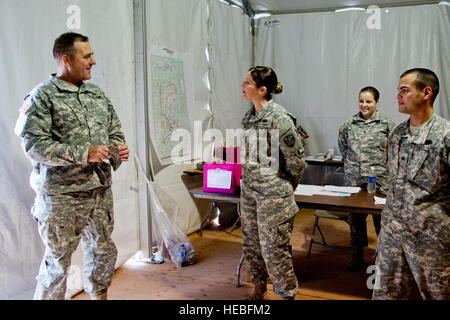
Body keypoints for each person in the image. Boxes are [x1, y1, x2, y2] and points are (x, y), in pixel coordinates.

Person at [15, 32, 129, 300]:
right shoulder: (43, 96)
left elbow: (115, 130)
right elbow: (34, 146)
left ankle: (99, 296)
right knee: (57, 263)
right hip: (61, 197)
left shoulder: (96, 94)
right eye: (87, 56)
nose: (94, 61)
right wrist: (83, 153)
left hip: (99, 192)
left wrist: (117, 147)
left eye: (92, 55)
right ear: (66, 59)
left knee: (103, 252)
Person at [372, 68, 449, 300]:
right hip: (392, 235)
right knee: (385, 294)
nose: (398, 96)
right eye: (398, 91)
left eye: (404, 90)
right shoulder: (397, 134)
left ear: (426, 92)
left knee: (438, 295)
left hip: (430, 237)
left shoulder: (445, 135)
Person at [240, 66, 305, 300]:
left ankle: (287, 294)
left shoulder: (279, 118)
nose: (242, 86)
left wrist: (284, 185)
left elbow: (296, 159)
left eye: (247, 83)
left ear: (262, 89)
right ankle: (259, 289)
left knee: (274, 250)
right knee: (252, 245)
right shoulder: (249, 116)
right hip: (249, 192)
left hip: (274, 196)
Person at [338, 87, 396, 271]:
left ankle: (383, 258)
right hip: (354, 179)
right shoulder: (348, 125)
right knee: (355, 219)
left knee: (382, 219)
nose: (364, 105)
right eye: (361, 101)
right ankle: (357, 256)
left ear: (377, 103)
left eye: (369, 101)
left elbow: (394, 151)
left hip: (380, 180)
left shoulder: (387, 124)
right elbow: (344, 149)